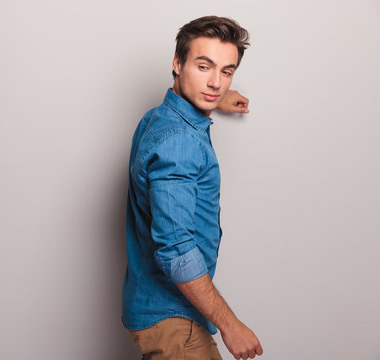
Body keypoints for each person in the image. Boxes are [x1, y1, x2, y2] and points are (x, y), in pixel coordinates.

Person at [122, 16, 264, 360]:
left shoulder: (159, 118)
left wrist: (216, 100)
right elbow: (176, 251)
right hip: (174, 321)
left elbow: (202, 95)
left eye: (226, 72)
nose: (215, 82)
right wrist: (231, 326)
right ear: (177, 63)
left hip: (155, 309)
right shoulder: (179, 143)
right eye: (204, 66)